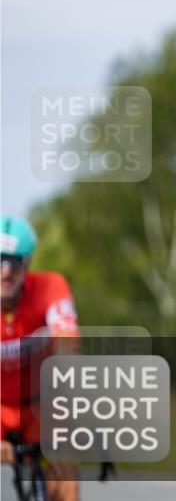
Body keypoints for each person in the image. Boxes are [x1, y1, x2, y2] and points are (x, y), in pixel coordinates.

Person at [1, 215, 80, 501]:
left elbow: (67, 340)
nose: (6, 271)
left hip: (40, 406)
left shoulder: (50, 287)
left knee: (64, 485)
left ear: (28, 265)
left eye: (15, 262)